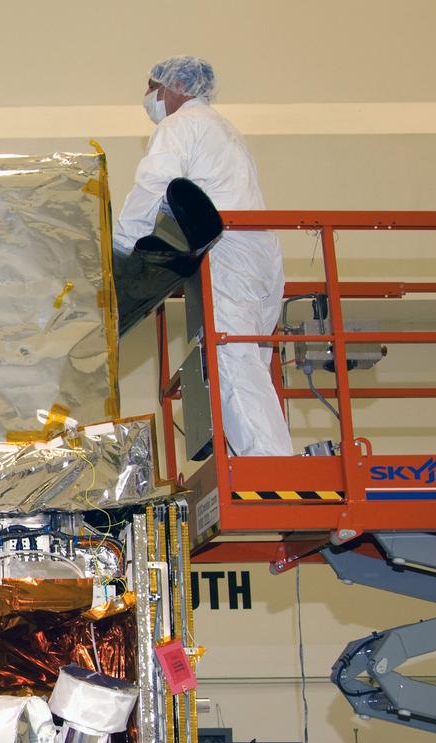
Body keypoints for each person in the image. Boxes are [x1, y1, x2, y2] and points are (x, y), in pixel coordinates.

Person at [113, 55, 293, 457]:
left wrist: (121, 249)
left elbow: (152, 186)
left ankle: (268, 466)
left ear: (175, 88)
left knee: (230, 356)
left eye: (151, 86)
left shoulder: (180, 125)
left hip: (227, 250)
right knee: (251, 363)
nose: (148, 97)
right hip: (262, 253)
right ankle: (252, 456)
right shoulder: (225, 130)